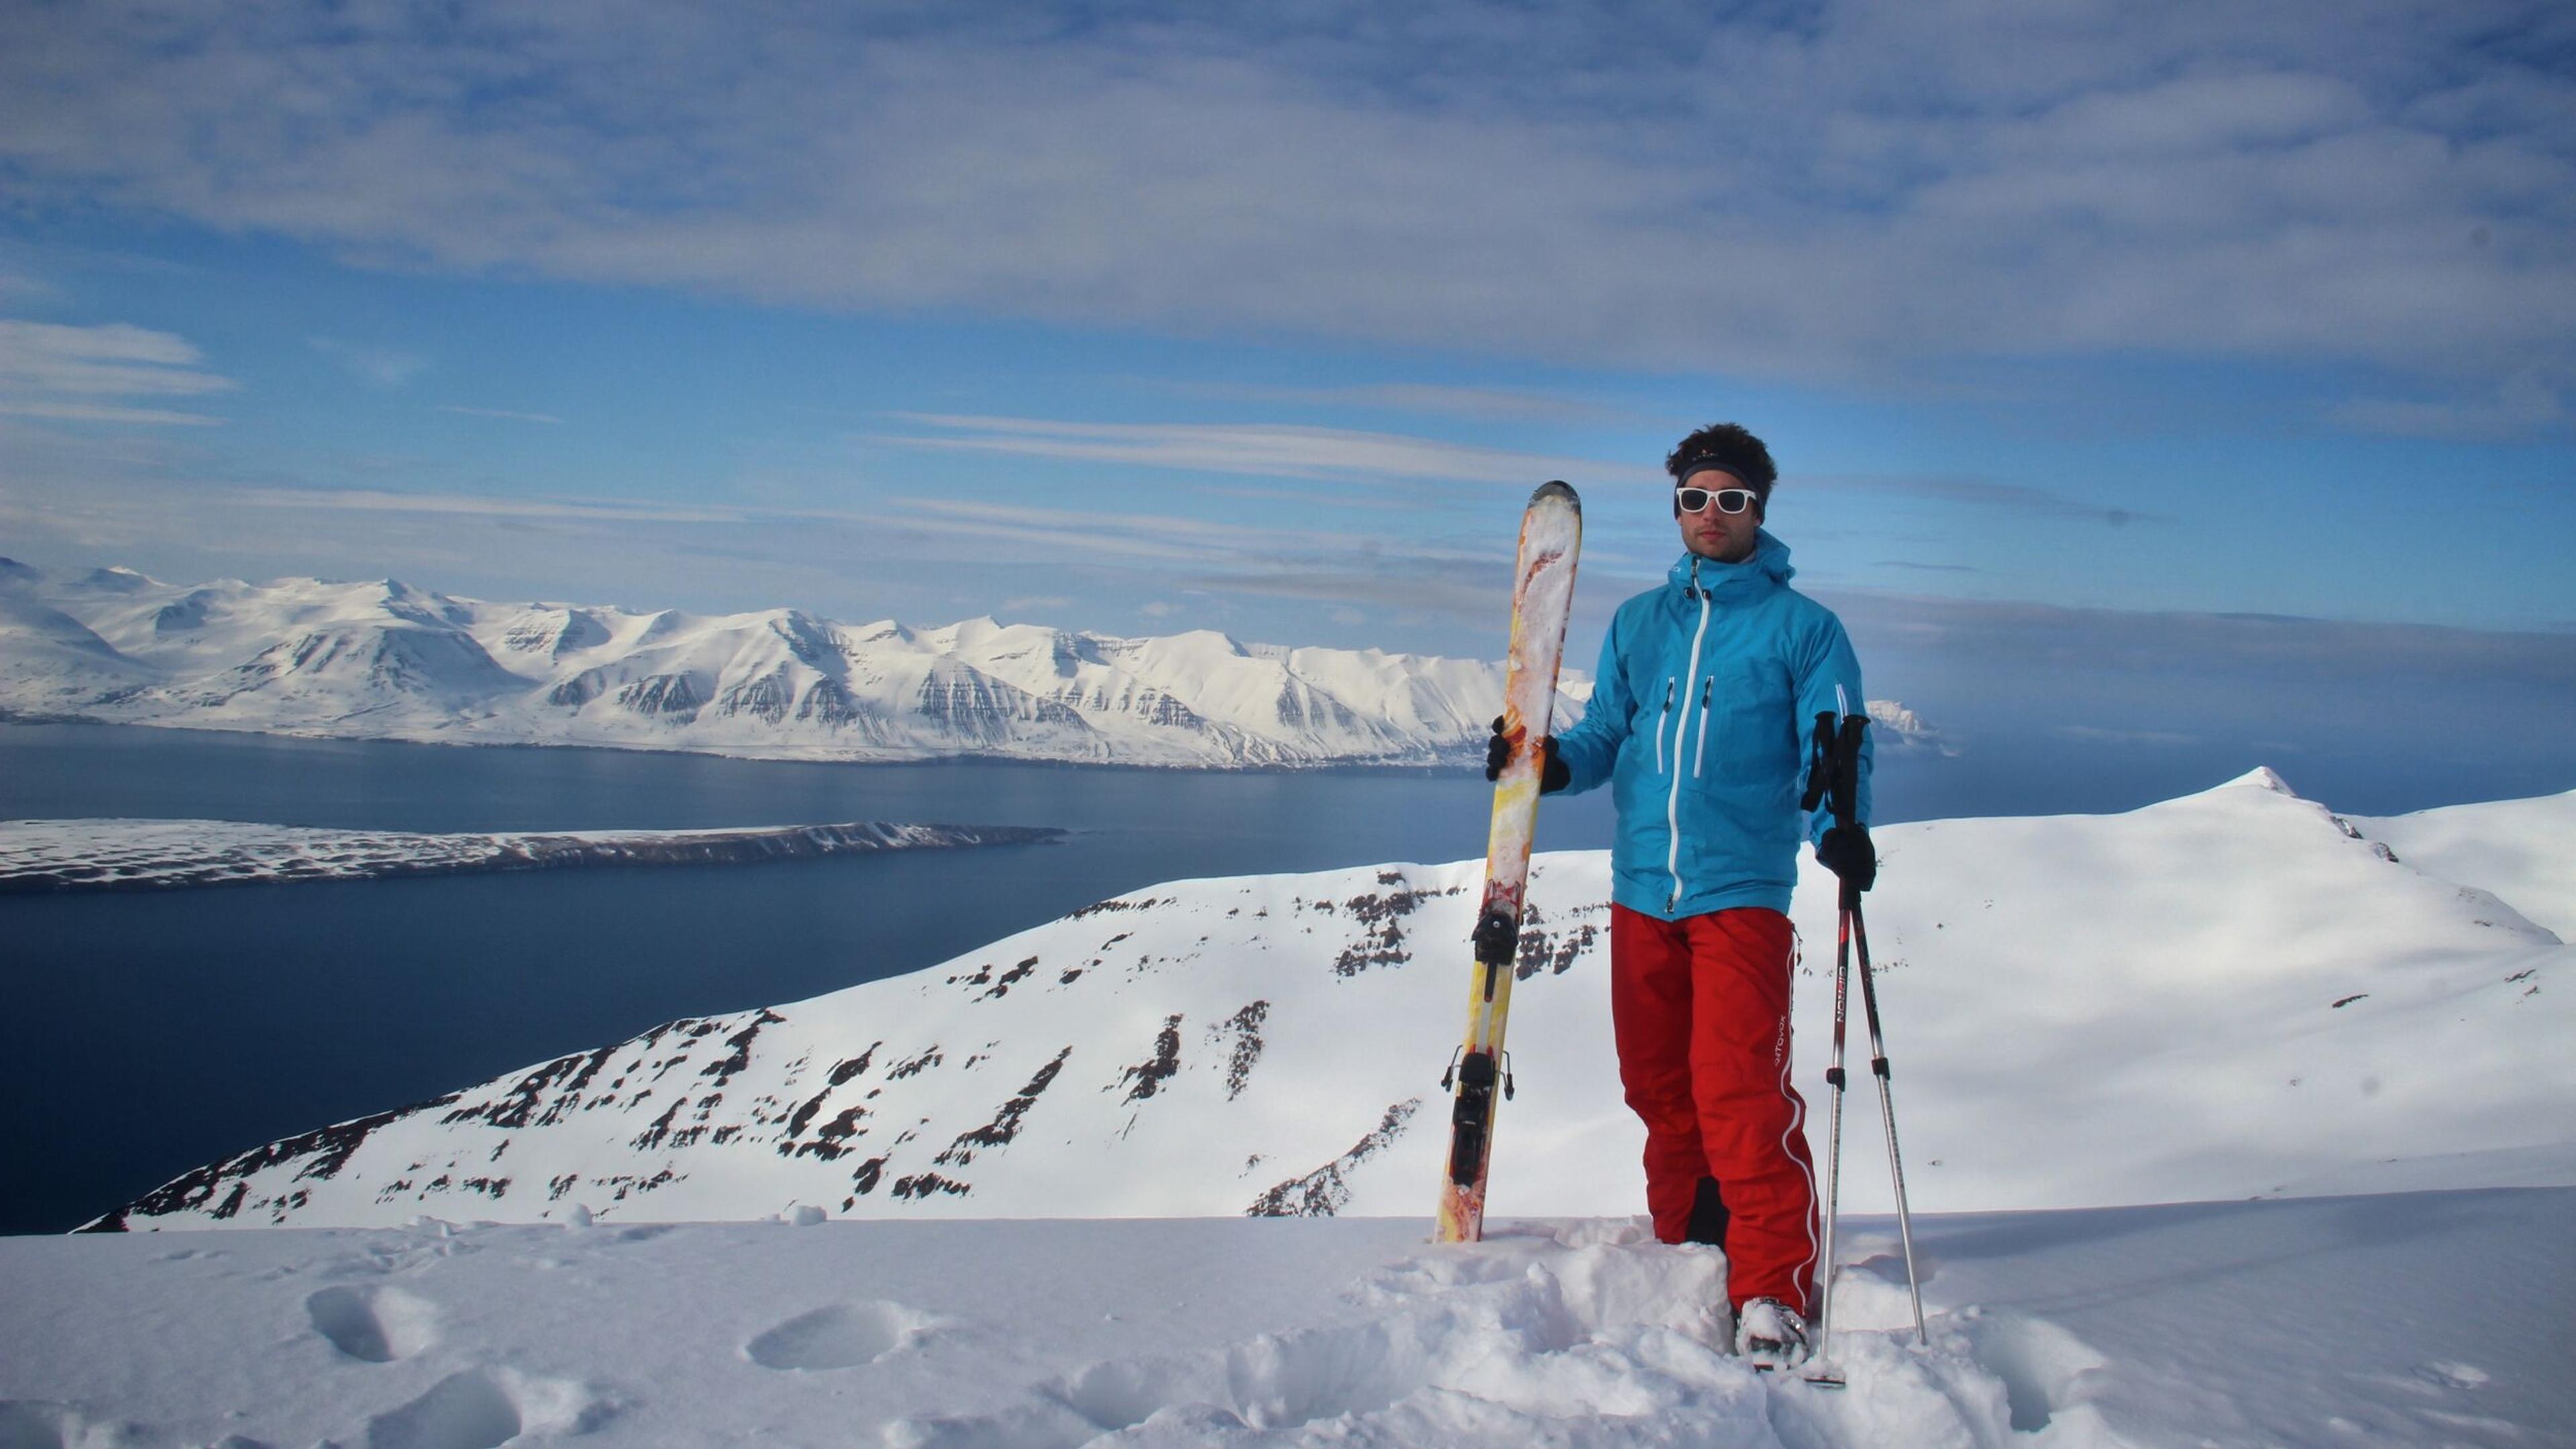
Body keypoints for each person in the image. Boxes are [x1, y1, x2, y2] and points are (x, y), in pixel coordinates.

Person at [1487, 422, 1874, 1368]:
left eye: (1731, 499)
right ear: (1676, 508)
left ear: (1759, 512)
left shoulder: (1805, 629)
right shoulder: (1640, 623)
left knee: (1739, 1090)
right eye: (1696, 498)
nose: (1711, 514)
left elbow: (1834, 746)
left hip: (1739, 890)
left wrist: (1842, 832)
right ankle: (1688, 1244)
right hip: (1641, 892)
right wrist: (1544, 767)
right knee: (1658, 1086)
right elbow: (1607, 734)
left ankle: (1773, 1288)